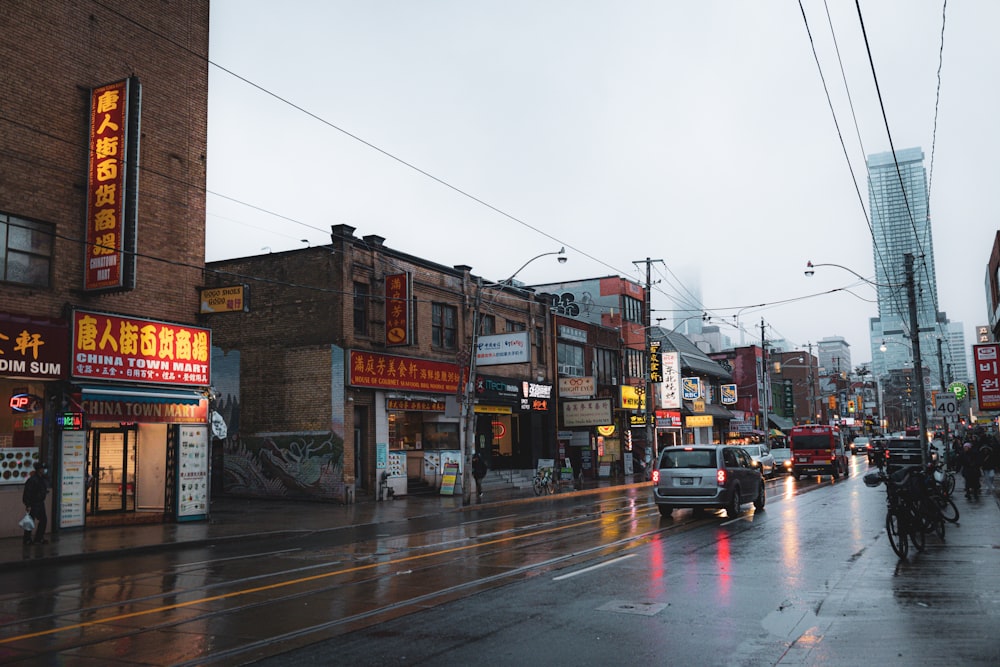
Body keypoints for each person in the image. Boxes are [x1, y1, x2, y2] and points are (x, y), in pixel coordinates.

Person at [22, 461, 49, 545]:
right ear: (39, 470)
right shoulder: (33, 480)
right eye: (42, 469)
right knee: (31, 521)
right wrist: (28, 504)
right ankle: (28, 539)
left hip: (40, 503)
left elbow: (41, 489)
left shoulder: (42, 479)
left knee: (43, 520)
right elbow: (27, 493)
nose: (43, 470)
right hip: (34, 503)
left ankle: (38, 538)